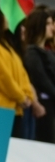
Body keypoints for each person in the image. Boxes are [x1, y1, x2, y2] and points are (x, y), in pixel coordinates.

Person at [0, 1, 40, 137]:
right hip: (1, 108)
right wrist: (21, 97)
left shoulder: (6, 44)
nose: (8, 18)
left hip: (15, 108)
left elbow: (22, 74)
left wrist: (27, 96)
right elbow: (2, 76)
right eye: (5, 15)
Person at [24, 10, 55, 143]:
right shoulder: (32, 52)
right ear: (39, 25)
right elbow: (40, 79)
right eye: (48, 23)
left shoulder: (48, 51)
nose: (51, 27)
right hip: (43, 104)